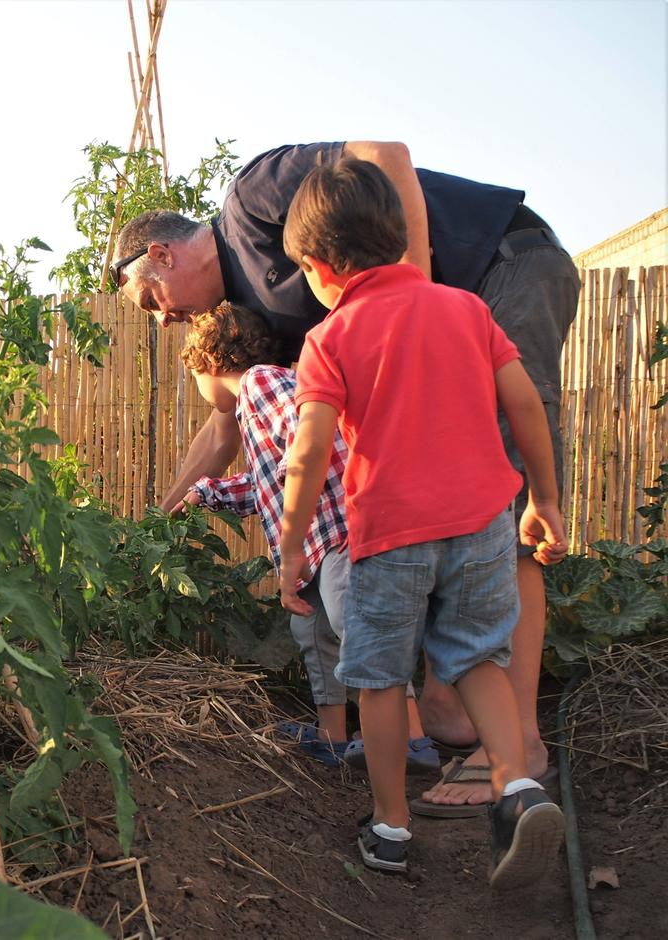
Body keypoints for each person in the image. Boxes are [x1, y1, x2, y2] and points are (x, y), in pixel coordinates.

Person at [114, 141, 578, 811]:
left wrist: (408, 294)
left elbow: (381, 152)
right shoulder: (265, 319)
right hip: (449, 312)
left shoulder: (248, 202)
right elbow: (226, 424)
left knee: (499, 499)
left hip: (501, 264)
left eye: (149, 300)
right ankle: (455, 712)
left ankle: (522, 746)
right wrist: (158, 519)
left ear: (160, 254)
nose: (160, 318)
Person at [276, 156, 565, 888]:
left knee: (377, 680)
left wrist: (289, 551)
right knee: (476, 660)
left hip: (390, 535)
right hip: (481, 525)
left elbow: (308, 452)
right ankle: (518, 787)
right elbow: (525, 404)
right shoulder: (466, 309)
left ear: (318, 267)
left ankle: (391, 826)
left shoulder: (330, 339)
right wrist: (545, 500)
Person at [174, 302, 439, 772]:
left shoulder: (258, 382)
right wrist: (206, 492)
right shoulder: (259, 404)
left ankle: (412, 737)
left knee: (355, 628)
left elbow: (306, 445)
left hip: (340, 531)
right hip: (313, 547)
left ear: (210, 363)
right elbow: (268, 483)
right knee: (314, 634)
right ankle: (333, 736)